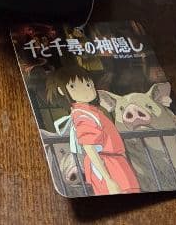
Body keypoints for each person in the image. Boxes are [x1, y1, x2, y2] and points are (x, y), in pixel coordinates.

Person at [46, 61, 139, 195]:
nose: (86, 89)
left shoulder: (90, 111)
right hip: (107, 164)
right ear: (62, 90)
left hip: (115, 162)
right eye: (74, 86)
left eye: (88, 84)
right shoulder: (83, 116)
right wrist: (108, 179)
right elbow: (89, 147)